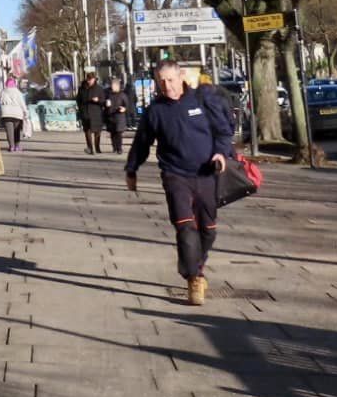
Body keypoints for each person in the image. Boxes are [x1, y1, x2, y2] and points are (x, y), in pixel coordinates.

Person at [124, 59, 235, 306]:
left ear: (181, 76)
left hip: (206, 173)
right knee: (185, 228)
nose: (167, 86)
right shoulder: (156, 110)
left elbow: (223, 132)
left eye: (171, 80)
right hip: (175, 175)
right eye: (161, 81)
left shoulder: (201, 101)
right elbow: (141, 143)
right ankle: (194, 278)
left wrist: (221, 152)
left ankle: (195, 262)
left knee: (208, 230)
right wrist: (131, 169)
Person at [76, 72, 106, 154]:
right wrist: (81, 109)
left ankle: (97, 147)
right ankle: (90, 148)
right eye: (88, 79)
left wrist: (98, 100)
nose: (90, 81)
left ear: (94, 79)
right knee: (87, 131)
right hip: (85, 112)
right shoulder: (82, 88)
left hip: (96, 113)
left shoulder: (99, 89)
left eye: (91, 79)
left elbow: (103, 100)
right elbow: (78, 99)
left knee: (97, 131)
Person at [0, 77, 29, 152]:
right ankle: (17, 146)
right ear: (14, 84)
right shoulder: (18, 92)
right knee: (16, 130)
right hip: (17, 114)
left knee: (9, 131)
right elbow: (22, 104)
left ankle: (11, 146)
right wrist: (25, 112)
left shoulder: (3, 91)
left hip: (6, 114)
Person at [104, 78, 133, 154]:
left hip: (119, 116)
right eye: (112, 85)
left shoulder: (122, 95)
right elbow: (104, 103)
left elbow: (127, 105)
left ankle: (119, 148)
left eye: (114, 85)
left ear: (118, 86)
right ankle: (114, 147)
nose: (112, 87)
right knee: (113, 133)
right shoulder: (108, 94)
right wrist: (106, 105)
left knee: (118, 133)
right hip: (110, 116)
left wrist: (124, 109)